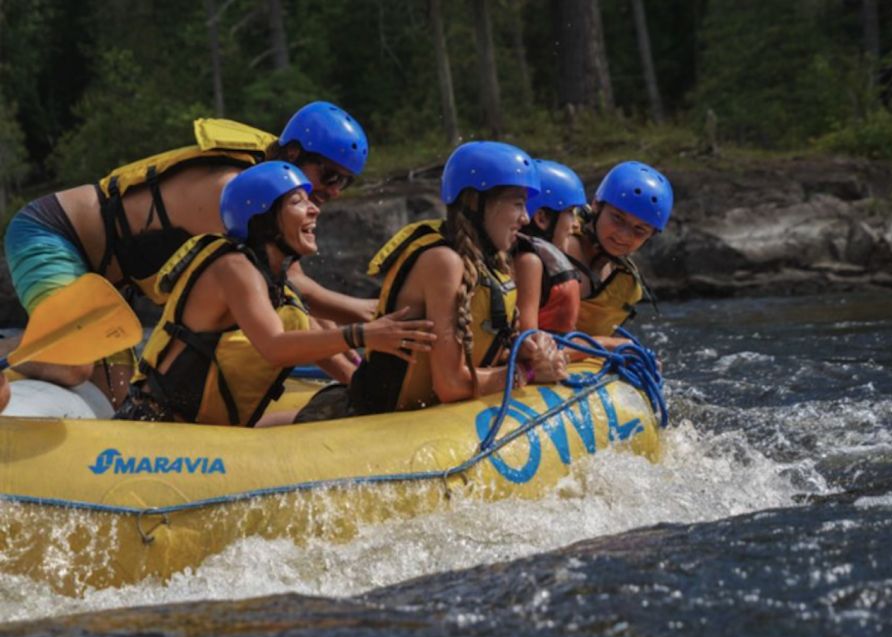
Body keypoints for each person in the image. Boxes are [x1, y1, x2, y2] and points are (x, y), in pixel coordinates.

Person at [1, 101, 373, 403]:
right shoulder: (233, 192)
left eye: (345, 182)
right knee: (72, 366)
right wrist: (359, 371)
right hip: (53, 235)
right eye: (330, 177)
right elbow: (292, 299)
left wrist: (372, 332)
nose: (334, 191)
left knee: (116, 401)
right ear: (293, 153)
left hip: (107, 286)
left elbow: (300, 297)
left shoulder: (267, 194)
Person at [114, 161, 435, 426]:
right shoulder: (233, 268)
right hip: (157, 424)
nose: (314, 210)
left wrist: (369, 388)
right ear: (264, 220)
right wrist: (365, 335)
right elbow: (275, 346)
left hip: (214, 431)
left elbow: (316, 342)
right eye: (297, 202)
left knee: (329, 418)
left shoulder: (276, 286)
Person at [348, 141, 568, 415]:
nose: (526, 218)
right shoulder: (444, 262)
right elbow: (451, 385)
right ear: (476, 202)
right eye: (518, 204)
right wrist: (528, 372)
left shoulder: (490, 264)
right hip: (373, 416)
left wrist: (531, 351)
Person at [563, 161, 673, 347]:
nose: (623, 235)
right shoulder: (561, 246)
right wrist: (611, 345)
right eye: (617, 218)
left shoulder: (626, 283)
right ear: (596, 205)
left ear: (651, 235)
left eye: (639, 230)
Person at [512, 159, 586, 335]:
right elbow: (531, 349)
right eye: (570, 212)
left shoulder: (531, 259)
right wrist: (607, 345)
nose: (576, 224)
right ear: (542, 218)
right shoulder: (528, 263)